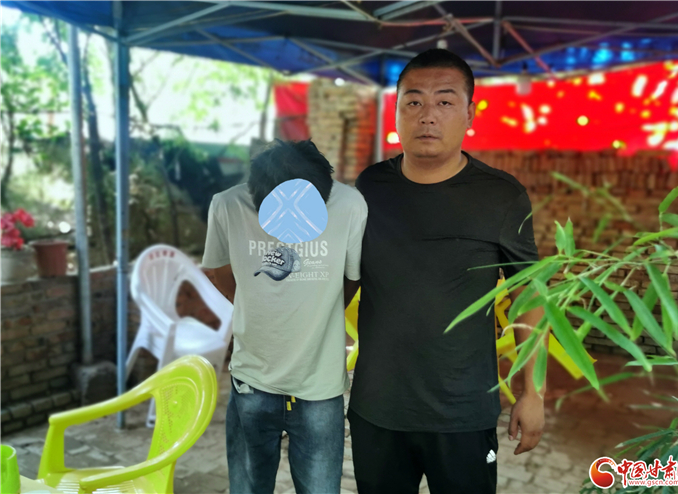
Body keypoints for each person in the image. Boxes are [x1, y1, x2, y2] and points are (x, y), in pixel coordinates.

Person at [348, 49, 546, 494]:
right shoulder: (370, 187)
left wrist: (533, 393)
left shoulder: (501, 196)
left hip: (463, 413)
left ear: (469, 114)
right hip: (377, 409)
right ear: (396, 112)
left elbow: (529, 295)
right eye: (414, 101)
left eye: (444, 101)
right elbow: (347, 278)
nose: (427, 115)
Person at [202, 139, 367, 494]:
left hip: (320, 387)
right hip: (252, 381)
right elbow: (216, 269)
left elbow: (352, 278)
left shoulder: (349, 204)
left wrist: (322, 310)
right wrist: (253, 300)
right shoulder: (228, 205)